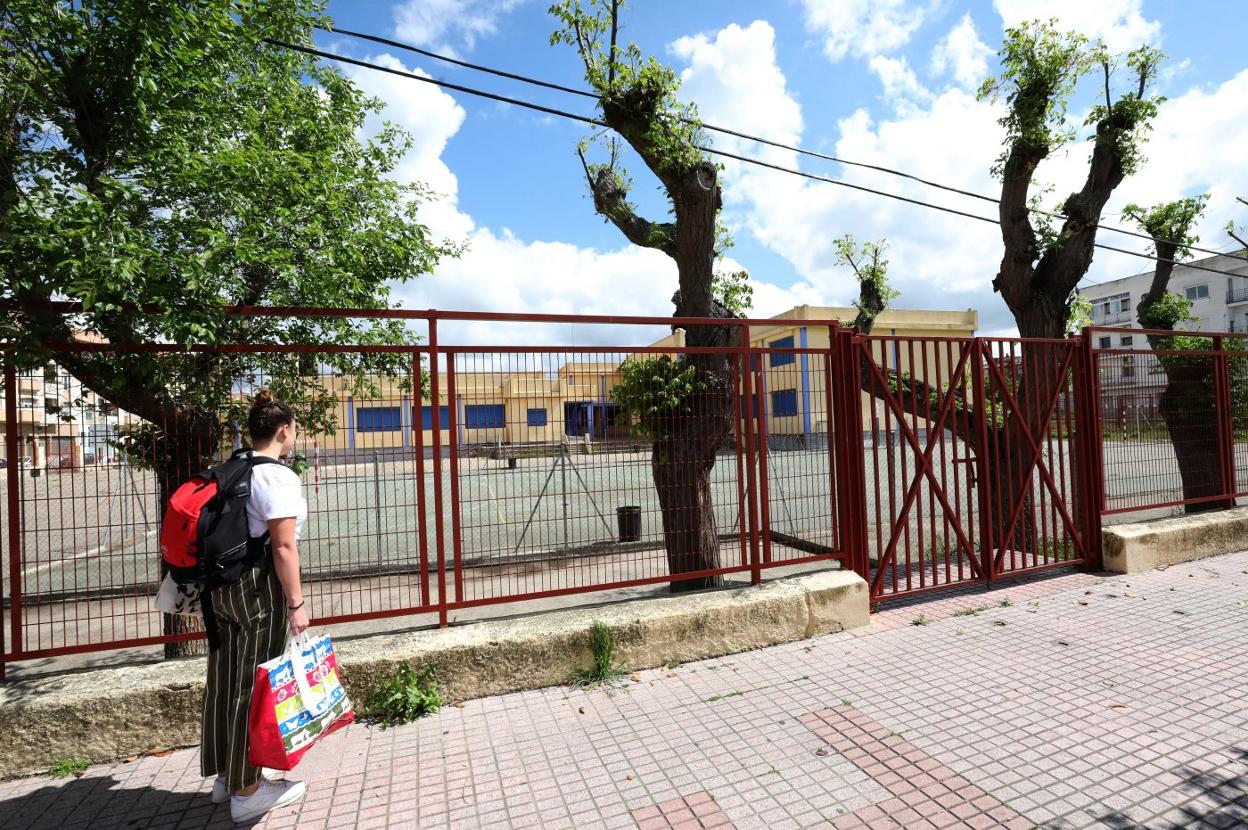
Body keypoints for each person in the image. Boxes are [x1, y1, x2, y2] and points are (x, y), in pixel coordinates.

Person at [200, 389, 311, 823]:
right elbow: (283, 547)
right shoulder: (278, 476)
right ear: (284, 431)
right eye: (294, 429)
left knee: (225, 680)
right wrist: (296, 604)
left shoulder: (231, 467)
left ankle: (226, 776)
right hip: (255, 589)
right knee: (254, 683)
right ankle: (247, 790)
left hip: (221, 587)